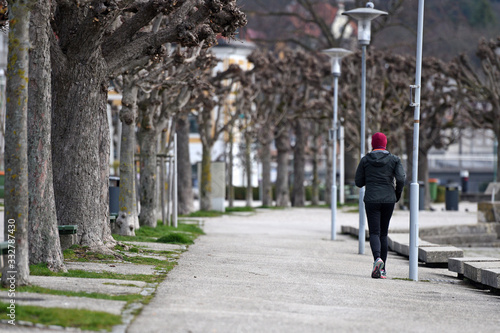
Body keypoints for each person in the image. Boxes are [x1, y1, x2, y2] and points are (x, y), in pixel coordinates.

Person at [355, 132, 405, 279]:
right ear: (385, 143)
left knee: (375, 233)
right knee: (384, 233)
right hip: (389, 199)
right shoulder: (394, 160)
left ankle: (377, 259)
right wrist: (397, 194)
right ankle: (383, 270)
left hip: (371, 200)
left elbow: (358, 182)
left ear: (372, 144)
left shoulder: (365, 160)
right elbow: (401, 178)